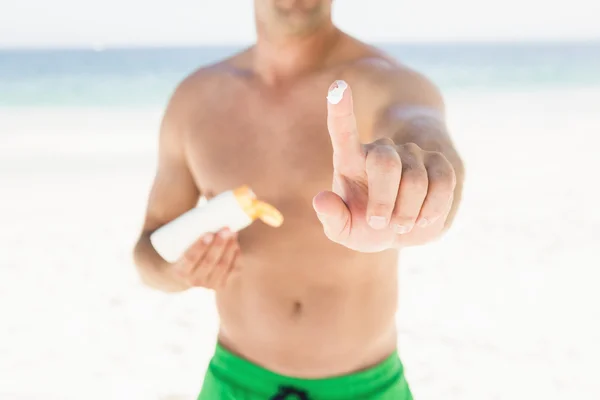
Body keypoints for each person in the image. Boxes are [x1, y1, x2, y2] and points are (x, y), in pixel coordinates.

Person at [133, 1, 465, 398]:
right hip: (234, 382)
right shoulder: (195, 100)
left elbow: (422, 130)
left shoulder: (389, 83)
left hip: (365, 388)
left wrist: (425, 188)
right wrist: (179, 273)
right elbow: (148, 253)